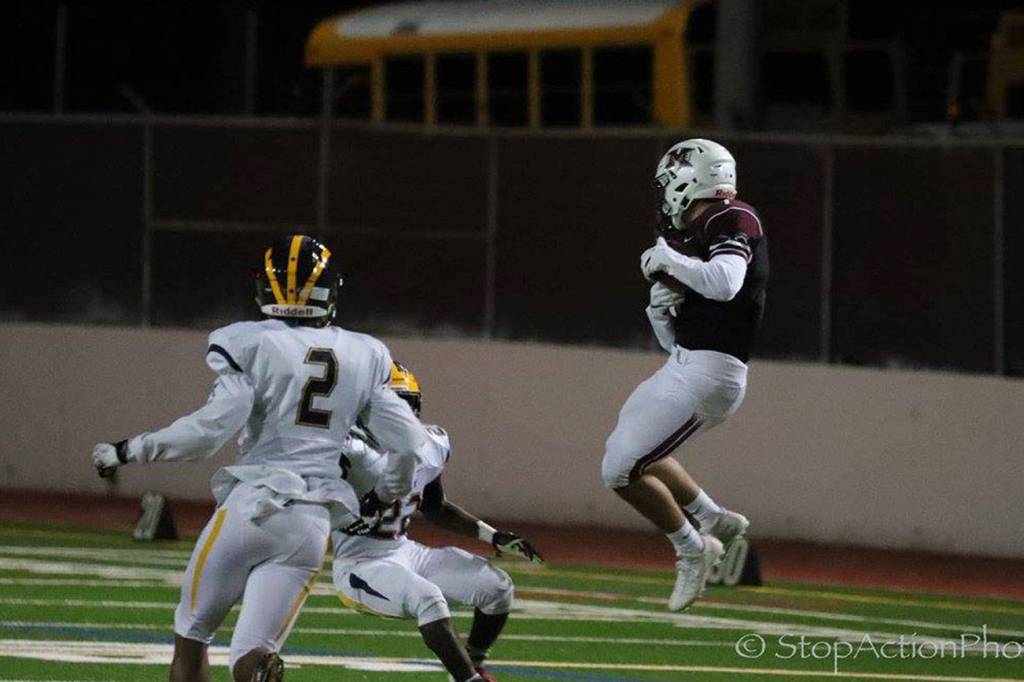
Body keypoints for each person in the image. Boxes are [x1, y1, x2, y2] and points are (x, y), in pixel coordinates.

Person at [90, 235, 428, 682]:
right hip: (311, 525)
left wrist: (127, 450)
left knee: (192, 635)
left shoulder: (248, 342)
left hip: (250, 507)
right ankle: (260, 672)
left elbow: (208, 433)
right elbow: (408, 439)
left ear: (264, 289)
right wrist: (390, 489)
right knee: (251, 657)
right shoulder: (365, 353)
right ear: (331, 290)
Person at [601, 139, 768, 611]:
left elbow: (726, 282)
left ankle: (692, 550)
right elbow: (676, 342)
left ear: (691, 177)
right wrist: (660, 309)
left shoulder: (733, 217)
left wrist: (670, 263)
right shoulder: (693, 237)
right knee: (632, 450)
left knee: (618, 469)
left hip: (713, 374)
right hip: (686, 364)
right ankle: (712, 519)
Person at [333, 362, 543, 682]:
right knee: (428, 598)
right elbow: (305, 500)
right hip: (360, 565)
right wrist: (344, 517)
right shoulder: (349, 452)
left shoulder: (431, 446)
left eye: (403, 405)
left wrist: (492, 536)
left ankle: (472, 663)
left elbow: (435, 508)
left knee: (496, 587)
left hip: (404, 551)